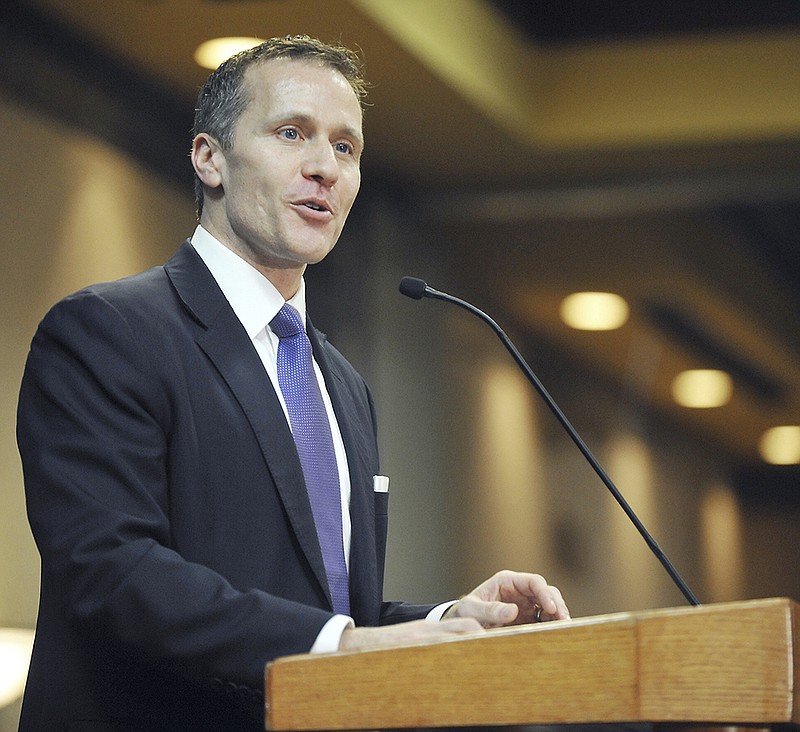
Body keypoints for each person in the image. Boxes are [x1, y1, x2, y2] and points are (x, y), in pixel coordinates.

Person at [16, 35, 569, 731]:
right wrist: (344, 646)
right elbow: (112, 572)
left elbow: (332, 611)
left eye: (346, 148)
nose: (324, 169)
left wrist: (447, 619)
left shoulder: (339, 382)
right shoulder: (107, 332)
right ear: (208, 158)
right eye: (291, 133)